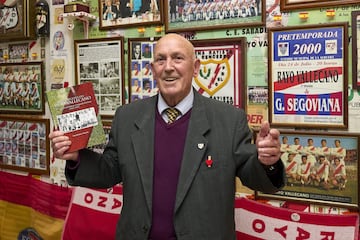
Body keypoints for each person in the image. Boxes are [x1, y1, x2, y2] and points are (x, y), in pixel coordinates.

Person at [49, 33, 284, 239]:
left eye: (178, 58)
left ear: (195, 67)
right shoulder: (128, 117)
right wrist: (76, 157)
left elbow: (252, 175)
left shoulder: (229, 120)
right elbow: (109, 170)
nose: (168, 67)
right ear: (153, 70)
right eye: (161, 59)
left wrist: (268, 163)